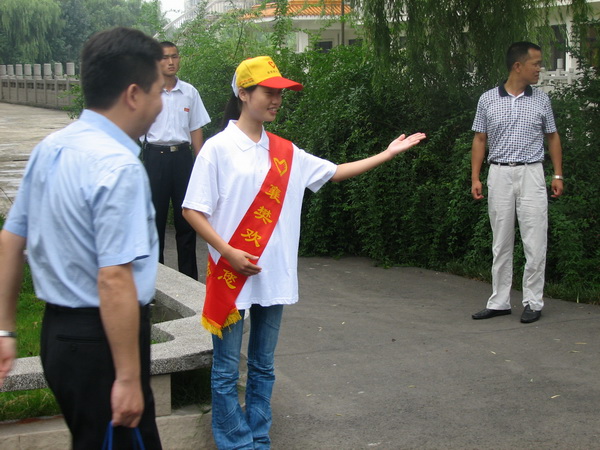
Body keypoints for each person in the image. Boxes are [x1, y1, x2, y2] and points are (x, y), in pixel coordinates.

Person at [181, 55, 426, 449]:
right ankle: (235, 442)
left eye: (280, 93)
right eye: (268, 92)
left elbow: (335, 171)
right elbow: (193, 210)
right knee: (226, 370)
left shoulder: (286, 152)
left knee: (263, 365)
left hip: (272, 274)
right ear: (243, 93)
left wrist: (387, 153)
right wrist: (227, 252)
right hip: (230, 272)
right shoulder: (217, 149)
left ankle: (259, 436)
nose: (276, 100)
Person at [0, 27, 164, 449]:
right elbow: (114, 277)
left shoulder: (52, 148)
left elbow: (11, 240)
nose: (161, 103)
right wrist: (127, 378)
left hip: (59, 336)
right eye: (158, 91)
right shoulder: (119, 167)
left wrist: (4, 331)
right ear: (133, 94)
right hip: (103, 345)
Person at [470, 41, 564, 324]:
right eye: (536, 64)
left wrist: (557, 174)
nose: (539, 69)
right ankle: (499, 302)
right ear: (518, 66)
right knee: (500, 241)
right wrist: (475, 177)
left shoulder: (541, 100)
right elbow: (480, 139)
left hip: (531, 173)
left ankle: (533, 301)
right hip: (498, 173)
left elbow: (552, 137)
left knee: (535, 241)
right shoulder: (487, 99)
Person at [143, 41, 211, 280]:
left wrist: (201, 165)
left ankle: (189, 280)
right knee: (155, 221)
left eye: (174, 56)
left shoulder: (190, 93)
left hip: (182, 159)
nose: (170, 62)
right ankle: (155, 281)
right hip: (155, 158)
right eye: (165, 57)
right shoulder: (146, 92)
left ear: (179, 59)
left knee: (187, 220)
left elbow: (196, 129)